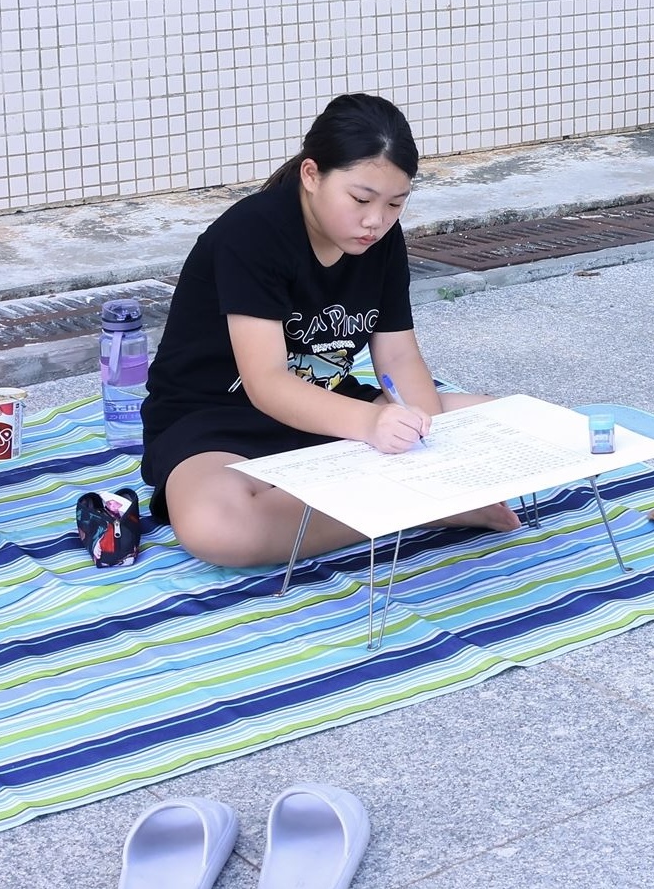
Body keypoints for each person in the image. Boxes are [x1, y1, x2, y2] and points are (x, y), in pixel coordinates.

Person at [141, 93, 520, 568]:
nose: (375, 222)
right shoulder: (254, 233)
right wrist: (378, 431)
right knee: (219, 527)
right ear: (311, 175)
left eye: (395, 204)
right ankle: (418, 510)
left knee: (512, 422)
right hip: (218, 420)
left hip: (330, 404)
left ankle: (411, 494)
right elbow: (268, 383)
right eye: (361, 199)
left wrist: (429, 450)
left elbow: (399, 360)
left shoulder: (380, 241)